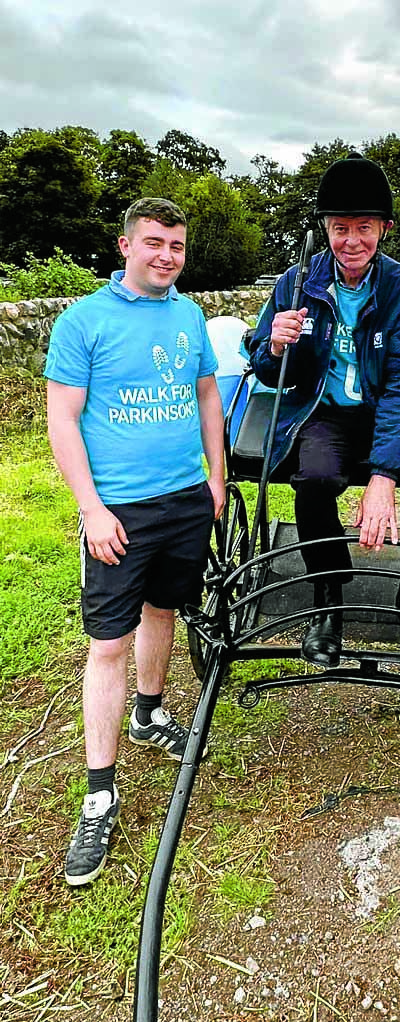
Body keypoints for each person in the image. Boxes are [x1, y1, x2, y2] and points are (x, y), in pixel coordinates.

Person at [45, 197, 225, 885]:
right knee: (108, 641)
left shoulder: (189, 315)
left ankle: (150, 713)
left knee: (164, 611)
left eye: (176, 246)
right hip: (118, 507)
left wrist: (215, 477)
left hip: (184, 498)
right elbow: (63, 419)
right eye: (153, 243)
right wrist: (90, 508)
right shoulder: (83, 320)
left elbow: (208, 394)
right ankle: (99, 793)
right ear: (124, 246)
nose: (166, 256)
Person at [247, 153, 400, 669]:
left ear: (383, 228)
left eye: (364, 227)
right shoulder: (297, 283)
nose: (352, 241)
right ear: (325, 229)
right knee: (313, 476)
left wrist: (384, 475)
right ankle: (328, 596)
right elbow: (269, 371)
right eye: (340, 228)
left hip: (398, 407)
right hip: (326, 410)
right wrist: (273, 347)